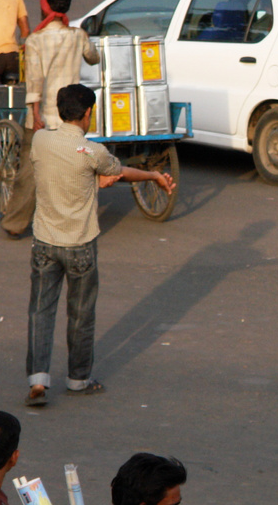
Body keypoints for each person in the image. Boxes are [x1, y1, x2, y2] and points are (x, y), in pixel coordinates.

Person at [25, 84, 176, 405]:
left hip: (44, 242)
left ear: (60, 110)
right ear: (88, 114)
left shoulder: (40, 141)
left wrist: (95, 180)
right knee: (80, 314)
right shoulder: (93, 152)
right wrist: (155, 177)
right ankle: (78, 379)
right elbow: (119, 173)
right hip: (79, 245)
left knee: (41, 311)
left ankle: (38, 380)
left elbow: (64, 169)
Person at [0, 0, 101, 237]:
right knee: (76, 171)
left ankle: (14, 223)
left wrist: (35, 114)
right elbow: (94, 57)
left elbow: (34, 79)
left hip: (45, 116)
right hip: (73, 117)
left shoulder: (36, 40)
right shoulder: (77, 36)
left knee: (30, 173)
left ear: (44, 8)